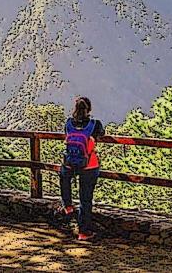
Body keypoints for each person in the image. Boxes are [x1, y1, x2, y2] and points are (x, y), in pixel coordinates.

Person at [58, 96, 105, 241]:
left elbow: (67, 135)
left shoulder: (68, 123)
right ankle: (83, 232)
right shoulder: (95, 124)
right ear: (89, 109)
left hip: (70, 162)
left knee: (63, 174)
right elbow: (102, 134)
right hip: (89, 165)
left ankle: (68, 205)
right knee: (85, 199)